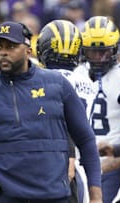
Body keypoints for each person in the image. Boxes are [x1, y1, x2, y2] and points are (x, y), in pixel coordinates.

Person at [0, 21, 102, 203]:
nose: (3, 52)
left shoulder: (57, 84)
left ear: (28, 50)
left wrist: (96, 197)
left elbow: (86, 140)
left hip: (52, 197)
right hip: (4, 198)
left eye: (11, 46)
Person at [75, 16, 120, 203]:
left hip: (113, 163)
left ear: (114, 48)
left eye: (103, 52)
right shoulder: (78, 74)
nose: (98, 58)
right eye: (92, 52)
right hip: (82, 162)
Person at [36, 19, 96, 203]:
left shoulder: (43, 80)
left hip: (54, 163)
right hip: (79, 163)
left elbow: (60, 120)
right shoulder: (88, 82)